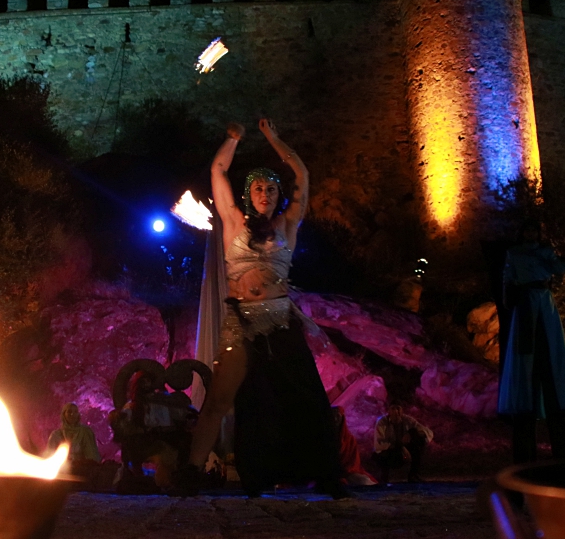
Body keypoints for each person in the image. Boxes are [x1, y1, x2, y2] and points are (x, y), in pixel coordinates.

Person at [174, 118, 344, 497]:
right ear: (248, 194)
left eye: (270, 188)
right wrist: (232, 139)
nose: (264, 193)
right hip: (242, 323)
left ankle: (327, 474)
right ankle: (192, 472)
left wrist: (274, 137)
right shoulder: (233, 222)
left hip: (281, 320)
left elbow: (300, 170)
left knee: (306, 398)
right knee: (222, 397)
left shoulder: (287, 224)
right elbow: (218, 170)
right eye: (257, 187)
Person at [498, 220, 565, 464]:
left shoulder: (545, 252)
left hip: (543, 302)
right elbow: (509, 277)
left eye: (533, 229)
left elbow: (559, 269)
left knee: (548, 340)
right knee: (525, 349)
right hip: (525, 304)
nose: (530, 233)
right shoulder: (514, 253)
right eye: (527, 229)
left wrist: (559, 257)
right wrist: (509, 295)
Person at [372, 404, 433, 483]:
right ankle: (383, 476)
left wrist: (410, 433)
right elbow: (380, 443)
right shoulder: (382, 422)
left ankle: (414, 474)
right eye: (393, 408)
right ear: (389, 411)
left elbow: (427, 432)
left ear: (402, 410)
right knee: (381, 455)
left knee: (417, 435)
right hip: (391, 451)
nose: (396, 412)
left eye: (398, 408)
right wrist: (401, 447)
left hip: (405, 450)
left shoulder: (408, 420)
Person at [47, 403, 101, 470]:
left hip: (82, 470)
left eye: (75, 412)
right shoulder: (56, 435)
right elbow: (50, 455)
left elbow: (92, 456)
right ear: (64, 414)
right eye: (69, 412)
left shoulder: (85, 432)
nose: (72, 414)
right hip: (62, 471)